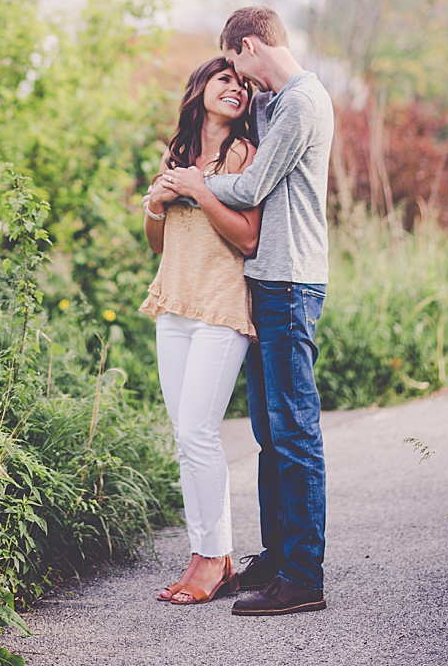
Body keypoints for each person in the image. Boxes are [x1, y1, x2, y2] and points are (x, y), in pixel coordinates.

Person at [159, 5, 333, 617]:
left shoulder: (303, 102)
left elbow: (253, 188)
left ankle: (303, 577)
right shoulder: (275, 102)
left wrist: (195, 186)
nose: (239, 80)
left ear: (253, 46)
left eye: (238, 64)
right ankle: (279, 556)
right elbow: (227, 118)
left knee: (294, 432)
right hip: (268, 285)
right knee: (269, 432)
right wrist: (182, 184)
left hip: (290, 280)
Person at [139, 57, 262, 606]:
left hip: (221, 305)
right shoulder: (177, 155)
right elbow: (157, 241)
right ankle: (209, 554)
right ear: (201, 90)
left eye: (243, 84)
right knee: (185, 438)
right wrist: (157, 204)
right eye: (225, 79)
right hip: (176, 303)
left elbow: (249, 239)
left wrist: (201, 189)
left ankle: (213, 559)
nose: (236, 88)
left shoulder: (244, 155)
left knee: (197, 431)